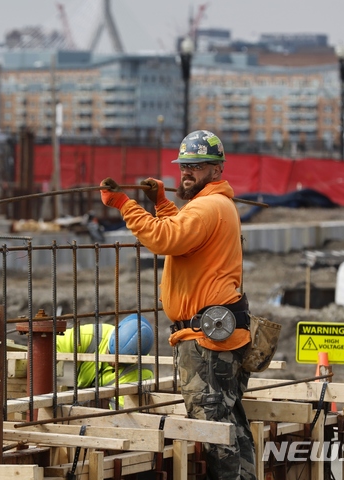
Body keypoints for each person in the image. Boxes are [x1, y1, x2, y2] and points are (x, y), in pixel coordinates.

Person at [99, 130, 255, 479]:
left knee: (215, 430)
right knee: (231, 424)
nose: (187, 172)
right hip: (212, 335)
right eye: (184, 165)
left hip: (206, 341)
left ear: (217, 170)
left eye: (197, 167)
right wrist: (161, 204)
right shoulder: (212, 205)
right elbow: (183, 239)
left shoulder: (208, 207)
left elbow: (164, 238)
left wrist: (126, 205)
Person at [56, 314, 155, 406]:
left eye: (121, 362)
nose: (113, 363)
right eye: (110, 354)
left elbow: (121, 418)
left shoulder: (140, 375)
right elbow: (50, 346)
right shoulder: (91, 336)